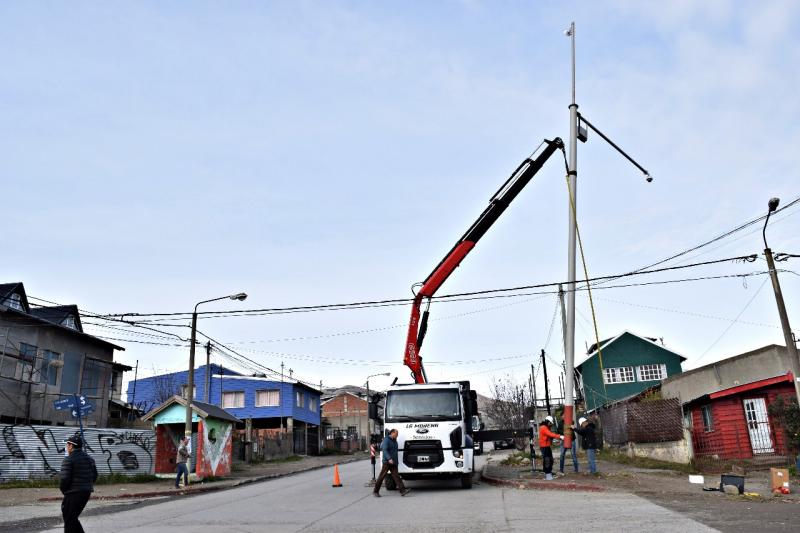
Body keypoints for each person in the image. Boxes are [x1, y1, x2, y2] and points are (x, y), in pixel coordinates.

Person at [59, 433, 98, 533]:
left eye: (67, 445)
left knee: (69, 520)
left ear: (71, 446)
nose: (66, 447)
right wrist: (86, 485)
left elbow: (64, 479)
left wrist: (65, 491)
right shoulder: (90, 459)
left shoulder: (68, 459)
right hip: (86, 493)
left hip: (73, 494)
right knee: (72, 518)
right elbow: (94, 476)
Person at [373, 429, 410, 497]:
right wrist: (389, 458)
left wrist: (396, 461)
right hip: (387, 462)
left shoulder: (394, 441)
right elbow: (384, 449)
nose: (397, 435)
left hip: (393, 462)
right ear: (392, 433)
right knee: (381, 476)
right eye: (396, 434)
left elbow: (394, 452)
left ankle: (403, 491)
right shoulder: (386, 440)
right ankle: (375, 491)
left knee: (396, 477)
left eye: (397, 434)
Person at [538, 416, 564, 481]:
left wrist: (556, 438)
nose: (551, 424)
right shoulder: (543, 428)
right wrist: (559, 436)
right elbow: (550, 434)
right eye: (551, 423)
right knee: (547, 460)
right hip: (544, 447)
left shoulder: (546, 427)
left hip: (547, 446)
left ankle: (548, 472)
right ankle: (548, 475)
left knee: (550, 460)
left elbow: (550, 436)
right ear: (548, 422)